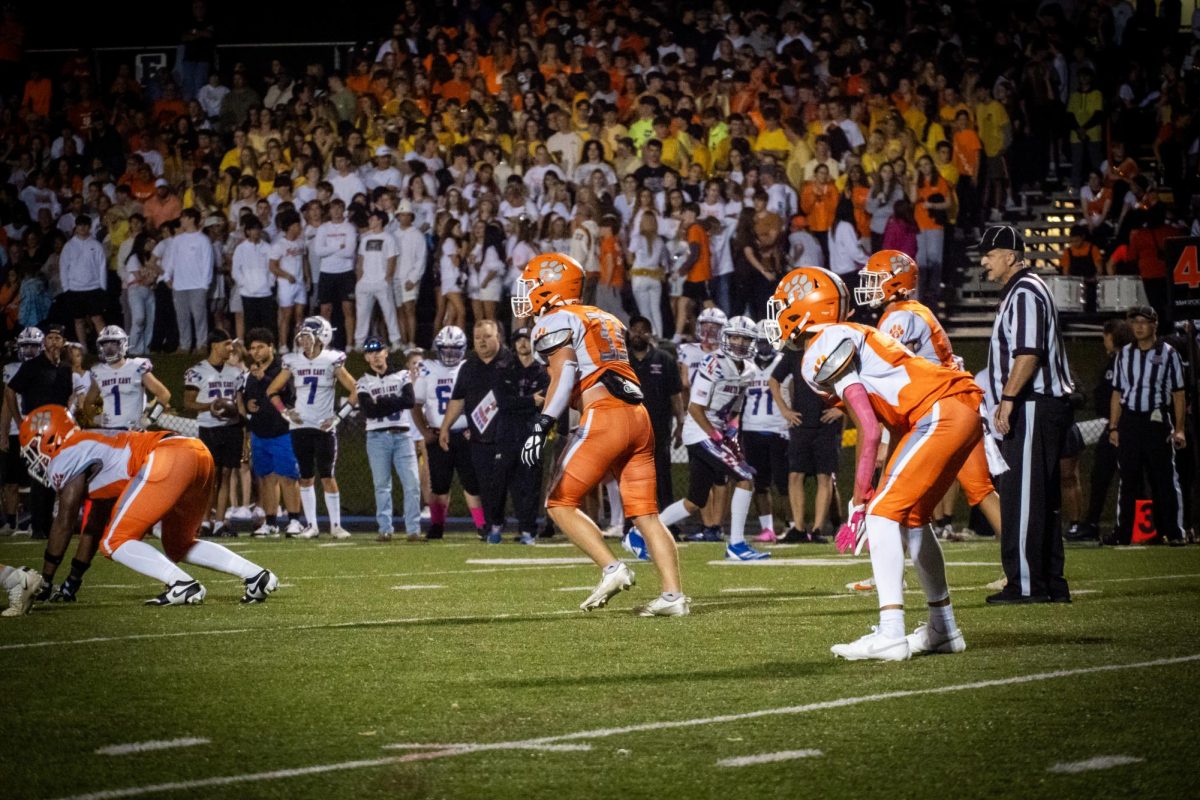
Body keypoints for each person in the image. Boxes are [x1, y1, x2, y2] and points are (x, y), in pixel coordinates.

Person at [765, 266, 977, 661]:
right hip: (953, 409)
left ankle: (891, 633)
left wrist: (862, 497)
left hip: (939, 412)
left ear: (808, 308)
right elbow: (890, 419)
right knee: (912, 519)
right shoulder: (854, 334)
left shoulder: (823, 344)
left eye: (784, 305)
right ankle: (943, 628)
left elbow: (868, 426)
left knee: (881, 514)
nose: (778, 314)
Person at [511, 252, 686, 616]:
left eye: (531, 284)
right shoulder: (604, 317)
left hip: (605, 416)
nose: (526, 293)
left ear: (550, 287)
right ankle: (673, 597)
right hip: (639, 418)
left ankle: (613, 567)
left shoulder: (554, 320)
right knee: (646, 514)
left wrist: (543, 423)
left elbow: (565, 373)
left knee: (559, 502)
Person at [18, 404, 278, 605]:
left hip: (168, 457)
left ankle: (182, 584)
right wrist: (71, 583)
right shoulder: (89, 447)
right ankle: (256, 575)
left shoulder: (68, 452)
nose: (35, 459)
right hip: (196, 455)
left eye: (33, 448)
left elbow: (65, 520)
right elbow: (93, 524)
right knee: (178, 544)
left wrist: (45, 580)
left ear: (49, 438)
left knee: (114, 541)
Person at [856, 251, 1003, 539]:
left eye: (875, 279)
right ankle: (1025, 570)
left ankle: (887, 572)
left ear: (895, 282)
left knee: (894, 494)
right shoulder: (912, 311)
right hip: (961, 405)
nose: (869, 286)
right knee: (979, 490)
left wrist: (885, 437)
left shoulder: (900, 317)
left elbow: (889, 377)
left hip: (939, 409)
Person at [979, 225, 1074, 604]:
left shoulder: (1024, 291)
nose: (984, 260)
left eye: (990, 253)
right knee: (1043, 498)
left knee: (1021, 497)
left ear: (1010, 256)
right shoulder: (1026, 290)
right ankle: (1050, 582)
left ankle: (1026, 584)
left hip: (1034, 402)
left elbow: (1028, 352)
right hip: (1041, 404)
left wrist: (1008, 398)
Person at [653, 315, 767, 560]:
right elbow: (695, 408)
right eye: (734, 336)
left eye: (744, 338)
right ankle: (736, 544)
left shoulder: (749, 369)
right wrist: (717, 436)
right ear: (726, 338)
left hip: (715, 431)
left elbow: (736, 405)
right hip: (700, 431)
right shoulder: (713, 362)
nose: (738, 342)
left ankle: (641, 535)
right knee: (745, 477)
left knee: (695, 500)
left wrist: (733, 430)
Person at [267, 316, 357, 539]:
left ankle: (336, 526)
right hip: (300, 427)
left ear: (321, 337)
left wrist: (338, 417)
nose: (304, 341)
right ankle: (312, 526)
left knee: (327, 476)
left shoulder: (332, 360)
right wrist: (285, 412)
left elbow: (357, 390)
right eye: (302, 337)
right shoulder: (293, 361)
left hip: (324, 426)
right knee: (305, 477)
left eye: (308, 336)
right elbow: (271, 391)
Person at [1109, 306, 1188, 546]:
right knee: (1128, 478)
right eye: (1135, 322)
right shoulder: (1124, 354)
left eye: (1144, 322)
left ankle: (1174, 531)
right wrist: (1113, 426)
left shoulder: (1169, 353)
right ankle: (1123, 533)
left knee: (1163, 478)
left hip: (1156, 420)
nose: (1139, 326)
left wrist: (1179, 428)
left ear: (1154, 325)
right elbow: (1117, 392)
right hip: (1131, 420)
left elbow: (1178, 393)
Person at [438, 320, 517, 543]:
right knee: (485, 484)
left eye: (486, 336)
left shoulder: (511, 362)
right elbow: (457, 399)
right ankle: (493, 527)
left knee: (517, 484)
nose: (481, 341)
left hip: (509, 436)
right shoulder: (468, 366)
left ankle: (526, 526)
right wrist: (446, 427)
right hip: (480, 438)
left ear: (498, 337)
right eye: (477, 337)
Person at [1, 324, 73, 541]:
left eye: (57, 338)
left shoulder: (65, 368)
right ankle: (38, 525)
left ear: (63, 343)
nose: (53, 342)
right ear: (44, 342)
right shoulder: (32, 366)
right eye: (49, 338)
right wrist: (18, 420)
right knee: (38, 477)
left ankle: (48, 524)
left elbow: (66, 398)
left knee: (53, 476)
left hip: (58, 427)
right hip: (36, 427)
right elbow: (10, 391)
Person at [412, 325, 485, 539]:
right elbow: (416, 403)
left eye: (456, 349)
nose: (451, 354)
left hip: (464, 433)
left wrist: (475, 428)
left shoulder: (470, 367)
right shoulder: (427, 368)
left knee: (472, 483)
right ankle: (437, 526)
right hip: (437, 434)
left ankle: (482, 525)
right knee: (439, 485)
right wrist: (425, 432)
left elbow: (481, 403)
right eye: (447, 349)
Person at [1069, 319, 1134, 542]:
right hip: (1107, 423)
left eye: (1106, 336)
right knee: (1098, 475)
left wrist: (1116, 424)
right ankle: (1091, 523)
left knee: (1119, 477)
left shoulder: (1123, 361)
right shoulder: (1114, 361)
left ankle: (1121, 525)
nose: (1104, 341)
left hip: (1118, 424)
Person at [239, 328, 303, 537]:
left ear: (271, 347)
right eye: (252, 348)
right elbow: (249, 399)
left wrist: (264, 377)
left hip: (282, 430)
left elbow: (285, 394)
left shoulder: (282, 368)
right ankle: (271, 521)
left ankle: (294, 519)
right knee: (265, 478)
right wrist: (248, 404)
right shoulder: (251, 374)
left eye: (260, 347)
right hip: (260, 431)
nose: (255, 352)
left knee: (288, 476)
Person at [183, 329, 245, 537]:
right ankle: (205, 520)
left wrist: (243, 419)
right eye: (227, 344)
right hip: (209, 427)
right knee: (210, 476)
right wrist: (211, 406)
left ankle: (219, 521)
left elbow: (240, 404)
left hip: (231, 427)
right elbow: (188, 402)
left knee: (226, 474)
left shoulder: (236, 373)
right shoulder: (196, 371)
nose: (230, 348)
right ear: (215, 345)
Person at [357, 337, 420, 541]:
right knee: (382, 485)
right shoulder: (364, 381)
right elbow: (370, 411)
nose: (375, 355)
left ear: (386, 352)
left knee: (412, 484)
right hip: (377, 437)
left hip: (402, 434)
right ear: (366, 357)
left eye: (378, 351)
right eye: (370, 352)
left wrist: (384, 401)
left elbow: (409, 401)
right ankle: (385, 529)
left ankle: (413, 530)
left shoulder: (402, 375)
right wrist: (395, 401)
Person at [494, 329, 550, 543]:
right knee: (500, 482)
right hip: (507, 434)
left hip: (531, 434)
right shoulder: (504, 370)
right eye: (519, 340)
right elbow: (503, 403)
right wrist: (529, 401)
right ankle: (496, 526)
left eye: (527, 339)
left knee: (530, 485)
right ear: (513, 344)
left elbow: (544, 401)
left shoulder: (542, 372)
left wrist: (518, 402)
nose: (523, 344)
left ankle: (528, 530)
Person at [626, 315, 685, 514]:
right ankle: (632, 523)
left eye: (643, 330)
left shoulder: (664, 359)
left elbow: (675, 395)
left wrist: (681, 424)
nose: (638, 334)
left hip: (659, 429)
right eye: (634, 329)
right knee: (632, 477)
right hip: (629, 430)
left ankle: (668, 523)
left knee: (662, 476)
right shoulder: (623, 361)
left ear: (650, 334)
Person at [741, 321, 791, 543]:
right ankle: (767, 528)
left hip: (779, 429)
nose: (762, 346)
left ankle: (791, 524)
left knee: (784, 483)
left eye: (766, 341)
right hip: (751, 428)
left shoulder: (783, 362)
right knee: (759, 483)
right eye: (759, 341)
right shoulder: (747, 365)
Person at [82, 325, 172, 431]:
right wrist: (95, 418)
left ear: (123, 344)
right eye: (105, 344)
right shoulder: (98, 371)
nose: (109, 348)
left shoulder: (137, 367)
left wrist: (149, 419)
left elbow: (164, 394)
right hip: (109, 432)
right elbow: (88, 402)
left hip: (133, 431)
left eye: (113, 344)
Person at [1, 329, 44, 536]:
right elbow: (7, 405)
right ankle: (10, 522)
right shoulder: (11, 369)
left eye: (33, 346)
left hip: (39, 431)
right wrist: (3, 433)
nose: (29, 350)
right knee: (11, 480)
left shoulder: (47, 368)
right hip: (15, 430)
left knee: (37, 478)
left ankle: (32, 520)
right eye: (25, 345)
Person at [164, 208, 215, 353]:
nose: (181, 220)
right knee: (182, 317)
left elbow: (207, 263)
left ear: (192, 219)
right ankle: (185, 345)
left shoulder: (203, 240)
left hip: (197, 285)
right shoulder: (178, 240)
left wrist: (205, 284)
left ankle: (201, 344)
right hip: (180, 285)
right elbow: (171, 260)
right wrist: (167, 276)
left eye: (183, 217)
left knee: (199, 316)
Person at [354, 210, 403, 351]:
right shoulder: (365, 238)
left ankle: (396, 341)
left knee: (389, 312)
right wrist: (359, 279)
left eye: (372, 219)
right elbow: (360, 259)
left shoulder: (389, 238)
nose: (370, 221)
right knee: (362, 313)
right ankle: (359, 341)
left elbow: (392, 259)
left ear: (380, 220)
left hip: (381, 281)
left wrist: (387, 278)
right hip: (365, 282)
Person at [57, 215, 108, 348]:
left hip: (94, 288)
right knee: (78, 320)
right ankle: (83, 348)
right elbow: (63, 267)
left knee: (97, 318)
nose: (82, 228)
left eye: (85, 225)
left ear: (89, 227)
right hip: (74, 289)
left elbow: (102, 266)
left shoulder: (96, 245)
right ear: (76, 227)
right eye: (80, 225)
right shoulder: (69, 246)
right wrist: (66, 288)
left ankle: (106, 347)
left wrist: (102, 287)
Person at [315, 198, 358, 348]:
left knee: (348, 309)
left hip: (345, 272)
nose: (337, 211)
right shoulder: (323, 228)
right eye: (334, 208)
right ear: (329, 210)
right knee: (325, 310)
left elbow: (349, 252)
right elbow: (318, 251)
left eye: (340, 208)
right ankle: (325, 343)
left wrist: (331, 247)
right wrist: (338, 245)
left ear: (343, 210)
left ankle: (349, 344)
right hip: (327, 272)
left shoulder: (349, 228)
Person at [392, 200, 427, 346]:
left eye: (407, 215)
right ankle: (404, 341)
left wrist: (413, 278)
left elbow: (421, 259)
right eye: (402, 215)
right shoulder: (393, 234)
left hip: (409, 278)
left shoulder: (417, 235)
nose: (404, 218)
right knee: (399, 310)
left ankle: (412, 341)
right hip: (395, 278)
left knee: (409, 309)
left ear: (411, 217)